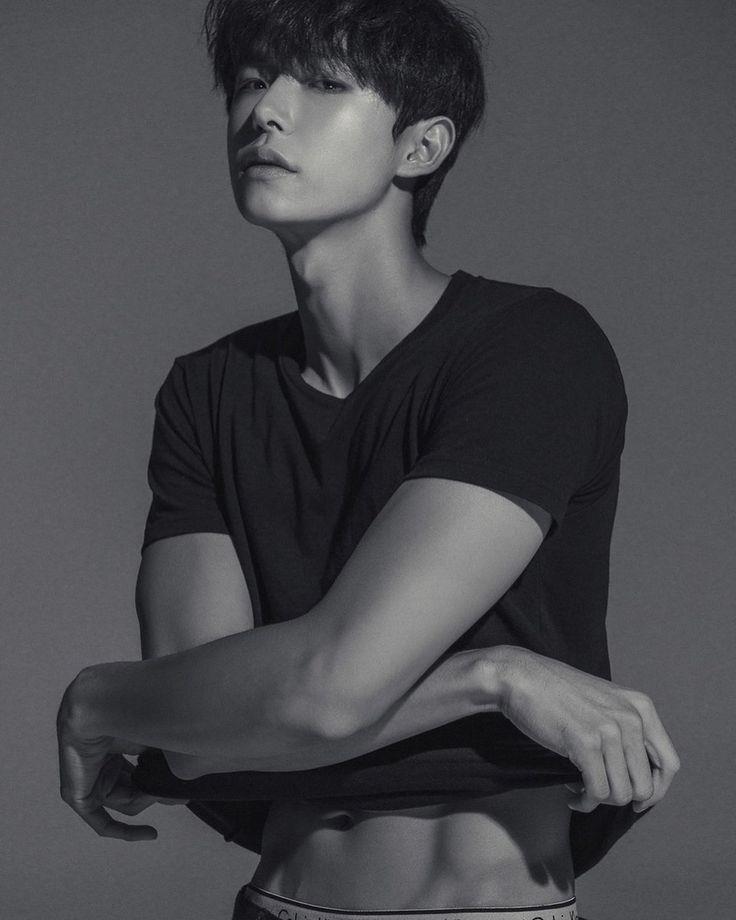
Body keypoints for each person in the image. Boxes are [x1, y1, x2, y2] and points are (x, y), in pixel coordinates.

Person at [56, 2, 681, 919]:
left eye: (321, 83)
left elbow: (325, 692)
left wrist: (94, 699)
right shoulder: (208, 390)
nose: (266, 111)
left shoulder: (531, 349)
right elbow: (196, 745)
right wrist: (493, 679)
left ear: (420, 146)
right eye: (251, 81)